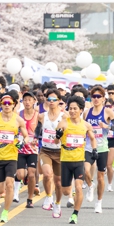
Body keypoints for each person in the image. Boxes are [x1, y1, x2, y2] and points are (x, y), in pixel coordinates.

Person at [0, 91, 32, 223]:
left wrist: (23, 142)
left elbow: (27, 136)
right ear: (1, 105)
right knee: (0, 190)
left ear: (14, 104)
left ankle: (5, 212)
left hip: (11, 157)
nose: (7, 105)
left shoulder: (18, 120)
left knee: (9, 184)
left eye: (9, 103)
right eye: (4, 103)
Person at [56, 95, 97, 224]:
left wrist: (94, 150)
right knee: (65, 191)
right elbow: (56, 141)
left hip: (79, 161)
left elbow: (92, 138)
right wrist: (58, 136)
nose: (72, 111)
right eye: (70, 108)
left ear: (81, 110)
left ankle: (75, 214)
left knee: (79, 187)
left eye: (75, 108)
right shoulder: (63, 123)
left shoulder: (86, 125)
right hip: (65, 160)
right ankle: (72, 193)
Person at [83, 86, 114, 211]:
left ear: (103, 98)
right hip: (88, 147)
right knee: (85, 170)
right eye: (94, 96)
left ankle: (99, 202)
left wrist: (107, 126)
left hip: (102, 148)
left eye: (99, 96)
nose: (96, 99)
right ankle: (90, 185)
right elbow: (82, 128)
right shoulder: (86, 112)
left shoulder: (108, 112)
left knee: (100, 176)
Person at [39, 89, 65, 217]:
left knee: (58, 182)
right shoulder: (42, 116)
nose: (51, 102)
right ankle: (49, 196)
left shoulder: (64, 116)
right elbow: (35, 130)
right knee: (47, 174)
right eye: (49, 99)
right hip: (46, 150)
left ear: (59, 101)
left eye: (54, 99)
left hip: (60, 152)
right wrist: (34, 138)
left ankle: (58, 203)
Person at [16, 91, 39, 209]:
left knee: (31, 174)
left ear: (34, 101)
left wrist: (37, 139)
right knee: (20, 175)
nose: (27, 102)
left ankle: (29, 199)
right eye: (25, 100)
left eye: (30, 100)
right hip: (20, 149)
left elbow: (41, 131)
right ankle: (23, 178)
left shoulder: (38, 116)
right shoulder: (18, 114)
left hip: (33, 149)